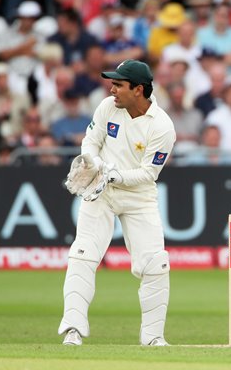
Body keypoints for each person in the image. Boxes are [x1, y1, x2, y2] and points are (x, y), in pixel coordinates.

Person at [60, 59, 176, 347]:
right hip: (100, 192)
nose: (112, 89)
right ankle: (73, 329)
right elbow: (91, 140)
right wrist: (94, 163)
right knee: (83, 253)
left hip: (139, 197)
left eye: (119, 85)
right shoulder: (108, 106)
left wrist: (113, 175)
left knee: (155, 264)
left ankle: (153, 337)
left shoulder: (162, 127)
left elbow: (149, 174)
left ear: (138, 89)